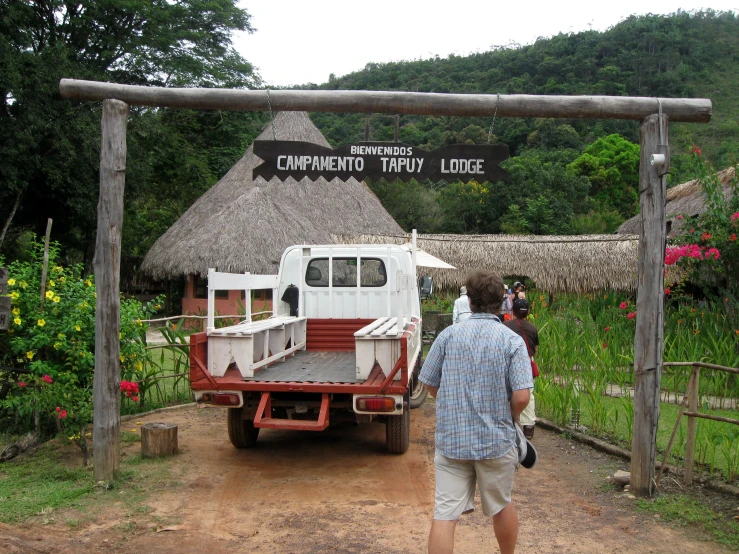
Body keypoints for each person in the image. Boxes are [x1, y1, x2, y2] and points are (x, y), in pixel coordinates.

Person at [420, 270, 533, 554]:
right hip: (496, 442)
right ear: (502, 302)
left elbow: (429, 382)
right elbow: (522, 396)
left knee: (445, 514)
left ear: (469, 301)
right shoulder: (512, 341)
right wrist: (507, 417)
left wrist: (450, 402)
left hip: (452, 442)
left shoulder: (447, 336)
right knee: (502, 505)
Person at [503, 297, 539, 439]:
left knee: (507, 391)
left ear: (513, 311)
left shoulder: (506, 326)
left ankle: (509, 421)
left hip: (508, 361)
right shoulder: (533, 328)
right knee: (528, 393)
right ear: (527, 312)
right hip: (527, 362)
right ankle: (529, 426)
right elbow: (535, 349)